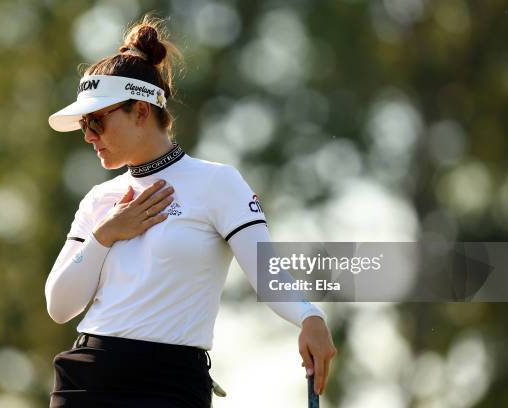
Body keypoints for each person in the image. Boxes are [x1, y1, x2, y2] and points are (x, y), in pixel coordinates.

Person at [44, 14, 336, 408]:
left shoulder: (218, 183)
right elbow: (60, 306)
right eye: (84, 124)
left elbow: (268, 274)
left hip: (172, 384)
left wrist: (309, 316)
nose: (89, 136)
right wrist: (105, 234)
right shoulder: (99, 200)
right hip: (89, 377)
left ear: (142, 112)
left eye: (97, 120)